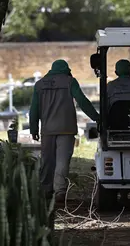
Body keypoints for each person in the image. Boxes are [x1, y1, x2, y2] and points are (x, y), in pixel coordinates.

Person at [29, 59, 100, 203]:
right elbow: (82, 101)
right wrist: (97, 117)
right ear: (66, 69)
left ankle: (45, 190)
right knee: (62, 161)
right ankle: (60, 191)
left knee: (47, 160)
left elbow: (34, 109)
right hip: (66, 129)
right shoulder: (70, 81)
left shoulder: (40, 84)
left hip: (47, 129)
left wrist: (33, 128)